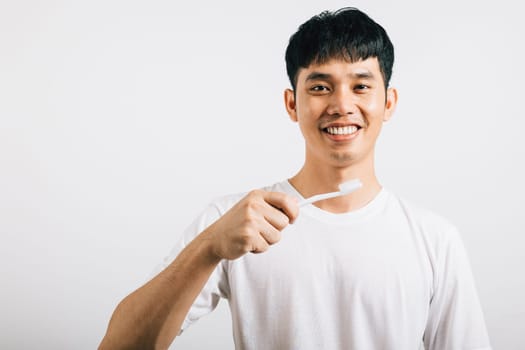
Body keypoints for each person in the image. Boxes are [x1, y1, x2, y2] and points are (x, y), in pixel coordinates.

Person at [99, 7, 491, 350]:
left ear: (388, 103)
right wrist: (208, 248)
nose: (341, 105)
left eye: (361, 86)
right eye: (320, 87)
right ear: (292, 104)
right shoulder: (233, 220)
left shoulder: (435, 241)